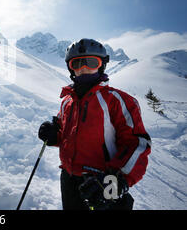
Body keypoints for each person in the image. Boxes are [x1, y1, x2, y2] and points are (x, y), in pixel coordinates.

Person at [38, 38, 151, 210]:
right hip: (69, 180)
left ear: (102, 65)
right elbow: (66, 136)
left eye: (91, 63)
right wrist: (54, 135)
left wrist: (112, 185)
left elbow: (137, 144)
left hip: (102, 183)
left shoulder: (117, 100)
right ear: (71, 68)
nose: (83, 69)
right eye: (77, 64)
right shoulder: (67, 101)